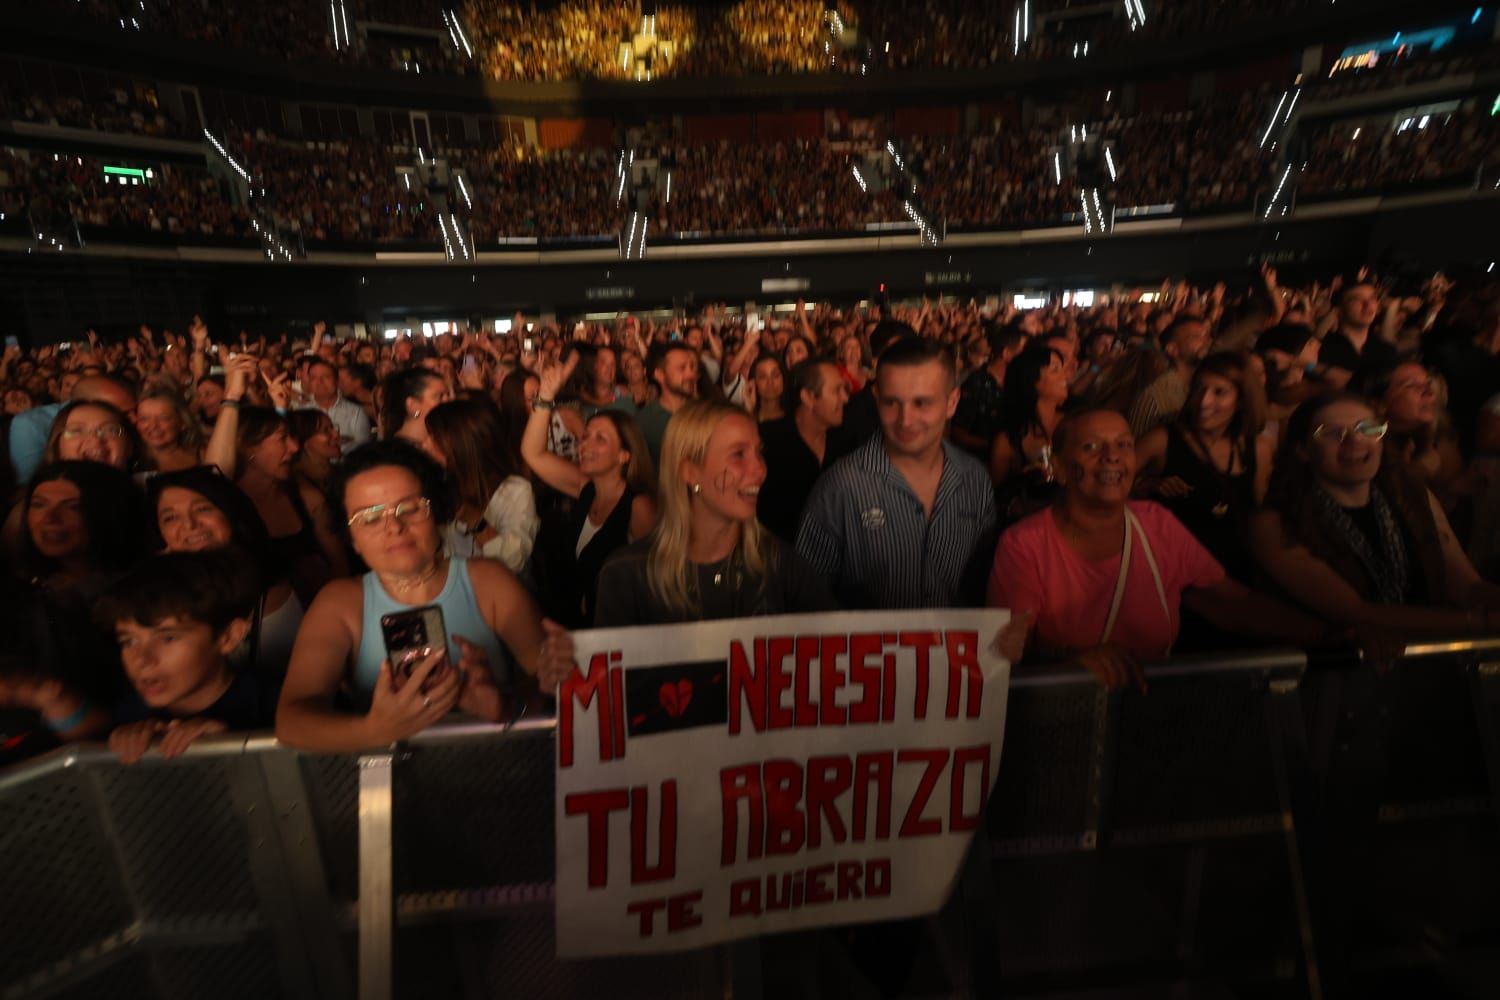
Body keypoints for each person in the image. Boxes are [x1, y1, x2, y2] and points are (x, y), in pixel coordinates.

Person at [990, 409, 1327, 689]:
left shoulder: (1156, 523)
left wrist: (1328, 633)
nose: (1112, 457)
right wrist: (1072, 663)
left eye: (1124, 444)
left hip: (1152, 713)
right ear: (1060, 468)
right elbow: (1007, 652)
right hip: (1067, 716)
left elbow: (1228, 603)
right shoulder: (1024, 544)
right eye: (1091, 446)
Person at [275, 441, 548, 752]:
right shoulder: (340, 605)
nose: (394, 526)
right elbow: (291, 720)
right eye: (370, 518)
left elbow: (552, 685)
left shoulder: (489, 581)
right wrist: (374, 730)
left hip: (503, 769)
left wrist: (506, 706)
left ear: (437, 514)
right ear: (352, 540)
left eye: (410, 508)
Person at [1250, 393, 1500, 639]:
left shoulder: (1412, 495)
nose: (1355, 441)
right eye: (1332, 433)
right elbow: (1356, 613)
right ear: (1303, 450)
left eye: (1368, 429)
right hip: (1340, 668)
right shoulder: (1276, 523)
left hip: (1429, 660)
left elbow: (1465, 586)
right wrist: (1480, 624)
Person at [591, 399, 836, 626]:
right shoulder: (625, 576)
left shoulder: (784, 569)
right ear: (689, 471)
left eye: (759, 452)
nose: (760, 469)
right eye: (738, 454)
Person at [797, 337, 997, 609]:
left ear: (952, 403)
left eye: (921, 403)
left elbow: (986, 585)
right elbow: (807, 599)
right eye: (891, 403)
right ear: (876, 400)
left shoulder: (975, 479)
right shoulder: (839, 489)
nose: (905, 420)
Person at [96, 549, 275, 763]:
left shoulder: (277, 706)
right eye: (129, 642)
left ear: (228, 637)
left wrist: (231, 741)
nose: (142, 660)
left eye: (168, 638)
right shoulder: (129, 715)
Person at [522, 355, 658, 627]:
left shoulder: (638, 506)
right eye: (585, 437)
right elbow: (533, 453)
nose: (585, 445)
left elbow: (654, 584)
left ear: (624, 455)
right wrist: (546, 397)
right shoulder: (586, 489)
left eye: (600, 439)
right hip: (576, 624)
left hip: (614, 631)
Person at [148, 466, 304, 676]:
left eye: (202, 509)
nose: (189, 525)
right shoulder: (153, 589)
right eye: (170, 518)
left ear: (231, 514)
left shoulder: (269, 594)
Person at [1135, 351, 1273, 580]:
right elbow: (1113, 486)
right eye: (1198, 388)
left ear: (1240, 401)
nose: (1203, 401)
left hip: (1234, 572)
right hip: (1172, 571)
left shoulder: (1258, 449)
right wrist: (1146, 484)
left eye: (1219, 392)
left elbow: (1257, 513)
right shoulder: (1162, 441)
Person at [234, 406, 346, 604]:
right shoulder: (229, 507)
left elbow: (340, 566)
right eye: (282, 438)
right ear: (250, 448)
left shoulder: (307, 498)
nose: (294, 447)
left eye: (292, 437)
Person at [424, 397, 540, 575]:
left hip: (499, 593)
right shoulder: (437, 482)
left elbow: (515, 560)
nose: (425, 445)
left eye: (434, 438)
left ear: (460, 443)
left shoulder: (514, 490)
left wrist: (476, 522)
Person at [757, 358, 853, 543]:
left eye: (844, 390)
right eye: (836, 391)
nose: (845, 398)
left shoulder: (845, 441)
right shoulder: (768, 442)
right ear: (808, 397)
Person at [22, 460, 145, 602]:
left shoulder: (138, 591)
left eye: (73, 507)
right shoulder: (19, 590)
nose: (51, 518)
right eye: (39, 505)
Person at [989, 344, 1069, 523]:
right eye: (1055, 370)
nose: (1065, 376)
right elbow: (993, 502)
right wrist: (1021, 482)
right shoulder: (1008, 441)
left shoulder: (1075, 424)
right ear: (1031, 380)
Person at [9, 372, 136, 482]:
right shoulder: (30, 423)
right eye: (123, 414)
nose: (135, 419)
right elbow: (28, 485)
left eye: (110, 429)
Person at [1126, 316, 1211, 439]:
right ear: (1172, 349)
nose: (1206, 342)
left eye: (1206, 335)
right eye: (1196, 337)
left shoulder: (1209, 387)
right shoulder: (1154, 397)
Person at [951, 325, 1025, 456]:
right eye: (1022, 352)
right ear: (1006, 353)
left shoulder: (1018, 382)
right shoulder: (976, 383)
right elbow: (958, 434)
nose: (1027, 358)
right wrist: (998, 446)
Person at [1318, 275, 1396, 390]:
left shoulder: (1386, 350)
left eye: (1372, 298)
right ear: (1339, 309)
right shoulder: (1321, 348)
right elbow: (1306, 365)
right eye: (1357, 299)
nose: (1368, 305)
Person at [634, 341, 699, 467]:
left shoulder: (703, 414)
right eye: (682, 368)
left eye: (692, 367)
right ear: (660, 375)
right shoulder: (644, 422)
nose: (690, 374)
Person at [299, 357, 372, 452]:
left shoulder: (356, 412)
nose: (319, 382)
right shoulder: (302, 413)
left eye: (326, 377)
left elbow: (363, 448)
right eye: (314, 378)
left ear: (337, 381)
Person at [380, 366, 453, 451]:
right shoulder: (397, 452)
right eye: (439, 396)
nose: (448, 400)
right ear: (413, 405)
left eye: (448, 395)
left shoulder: (445, 443)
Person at [285, 408, 342, 494]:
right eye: (325, 430)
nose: (336, 434)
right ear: (304, 441)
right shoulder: (300, 486)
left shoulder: (341, 473)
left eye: (332, 427)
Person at [747, 353, 788, 423]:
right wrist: (750, 408)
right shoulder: (747, 417)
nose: (770, 382)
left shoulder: (797, 418)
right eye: (763, 377)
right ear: (754, 382)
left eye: (775, 375)